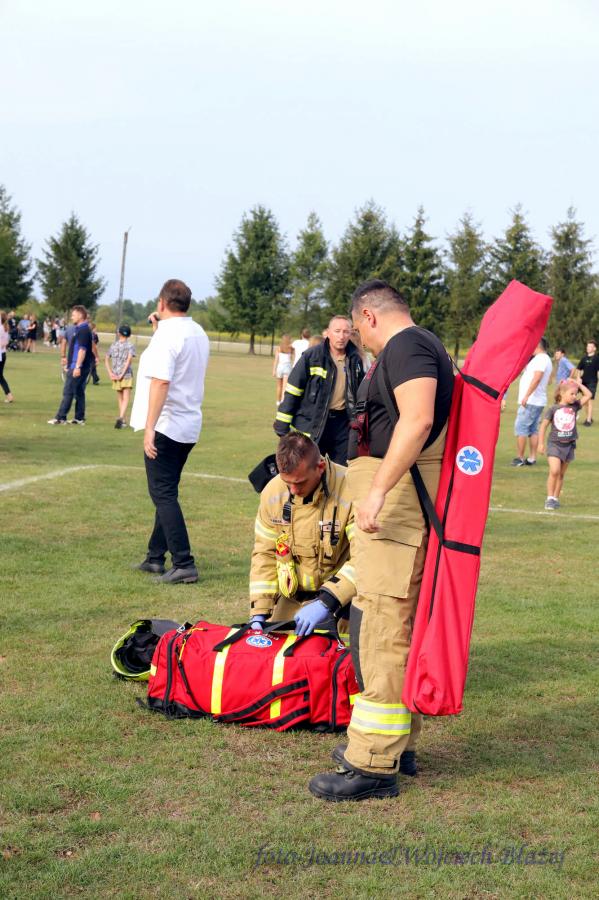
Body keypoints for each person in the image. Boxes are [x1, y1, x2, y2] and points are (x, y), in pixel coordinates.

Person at [308, 279, 454, 802]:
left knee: (381, 629)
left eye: (358, 330)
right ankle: (397, 746)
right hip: (398, 502)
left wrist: (377, 491)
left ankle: (372, 762)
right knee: (392, 625)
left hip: (396, 506)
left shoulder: (407, 345)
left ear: (368, 316)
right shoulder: (418, 345)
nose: (360, 341)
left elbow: (417, 421)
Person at [130, 278, 209, 585]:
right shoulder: (197, 331)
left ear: (162, 303)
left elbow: (161, 381)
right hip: (188, 424)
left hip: (167, 424)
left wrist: (149, 427)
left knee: (162, 494)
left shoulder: (167, 336)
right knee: (167, 492)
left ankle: (183, 562)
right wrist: (158, 328)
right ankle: (154, 557)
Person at [248, 433, 355, 634]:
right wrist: (259, 611)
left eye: (300, 482)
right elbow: (265, 554)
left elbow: (365, 557)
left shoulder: (350, 489)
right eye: (287, 483)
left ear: (320, 467)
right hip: (291, 599)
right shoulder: (273, 493)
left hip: (341, 601)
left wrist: (327, 601)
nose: (293, 490)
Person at [274, 316, 365, 465]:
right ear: (328, 333)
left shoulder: (355, 359)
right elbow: (293, 390)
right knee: (310, 469)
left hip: (343, 425)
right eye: (337, 331)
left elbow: (360, 395)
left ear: (351, 334)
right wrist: (282, 426)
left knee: (342, 470)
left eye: (346, 332)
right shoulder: (311, 356)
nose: (341, 336)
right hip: (314, 423)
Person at [538, 379, 592, 510]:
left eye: (576, 394)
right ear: (562, 393)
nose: (574, 396)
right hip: (555, 445)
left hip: (569, 445)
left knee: (561, 474)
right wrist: (541, 443)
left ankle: (555, 499)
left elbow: (588, 395)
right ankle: (549, 498)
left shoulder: (575, 406)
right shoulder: (553, 409)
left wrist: (578, 384)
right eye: (572, 394)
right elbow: (543, 426)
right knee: (554, 471)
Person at [47, 305, 93, 425]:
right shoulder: (80, 329)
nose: (71, 317)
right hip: (78, 365)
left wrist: (77, 366)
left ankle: (60, 417)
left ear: (80, 315)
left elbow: (82, 350)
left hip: (78, 366)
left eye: (73, 315)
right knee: (79, 392)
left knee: (68, 391)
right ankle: (79, 418)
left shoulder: (83, 330)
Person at [511, 338, 552, 466]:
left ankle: (520, 458)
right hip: (537, 400)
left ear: (537, 345)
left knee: (521, 428)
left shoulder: (540, 359)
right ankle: (532, 458)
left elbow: (537, 378)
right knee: (533, 429)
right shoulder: (545, 359)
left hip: (532, 400)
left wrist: (527, 396)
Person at [105, 324, 136, 428]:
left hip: (115, 374)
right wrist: (122, 374)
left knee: (120, 398)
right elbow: (129, 360)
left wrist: (110, 373)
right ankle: (121, 418)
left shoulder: (114, 345)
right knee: (126, 398)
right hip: (126, 374)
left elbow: (106, 359)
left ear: (119, 333)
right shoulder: (130, 345)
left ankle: (122, 419)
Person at [576, 340, 599, 426]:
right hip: (583, 383)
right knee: (585, 401)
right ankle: (589, 417)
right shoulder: (584, 358)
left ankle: (588, 420)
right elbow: (578, 369)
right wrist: (578, 377)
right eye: (587, 346)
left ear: (594, 348)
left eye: (590, 346)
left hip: (592, 382)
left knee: (589, 400)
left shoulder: (597, 359)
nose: (588, 348)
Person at [272, 333, 293, 406]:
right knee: (285, 386)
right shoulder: (291, 348)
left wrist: (274, 370)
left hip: (280, 367)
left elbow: (276, 360)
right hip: (287, 367)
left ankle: (278, 401)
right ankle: (283, 401)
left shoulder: (279, 348)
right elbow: (291, 359)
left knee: (279, 386)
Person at [0, 312, 14, 403]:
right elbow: (6, 342)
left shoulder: (1, 328)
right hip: (3, 354)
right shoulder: (5, 328)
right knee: (0, 377)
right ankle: (9, 395)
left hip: (0, 354)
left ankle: (9, 395)